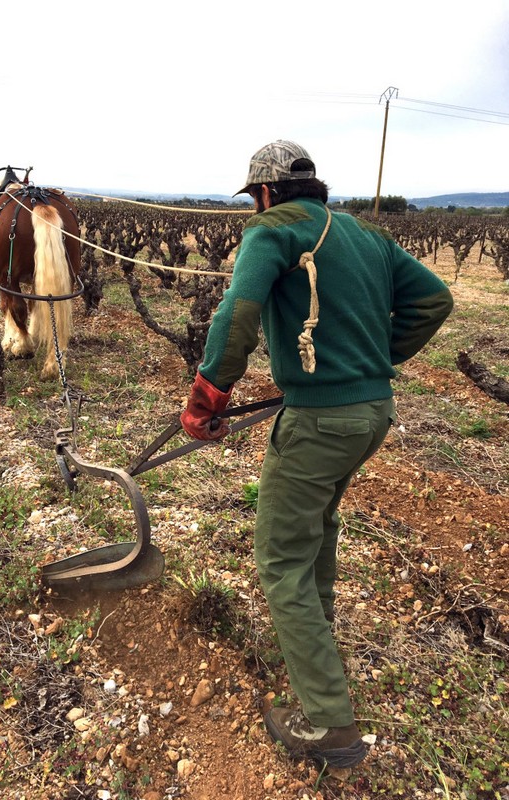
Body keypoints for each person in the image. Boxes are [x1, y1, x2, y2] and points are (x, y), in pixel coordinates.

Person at [180, 140, 453, 768]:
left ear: (267, 193)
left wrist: (208, 395)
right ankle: (316, 651)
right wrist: (369, 366)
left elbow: (238, 311)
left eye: (254, 198)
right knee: (318, 527)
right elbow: (435, 301)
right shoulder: (365, 235)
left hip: (318, 424)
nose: (254, 207)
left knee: (280, 561)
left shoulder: (271, 232)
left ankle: (329, 725)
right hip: (372, 414)